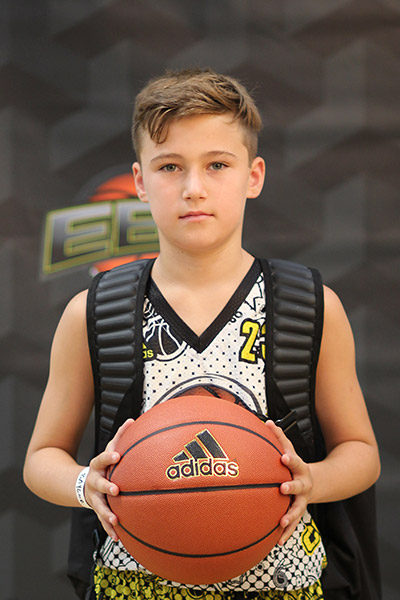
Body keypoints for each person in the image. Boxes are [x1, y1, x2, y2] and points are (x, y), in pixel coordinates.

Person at [24, 68, 380, 600]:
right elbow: (41, 458)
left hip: (283, 584)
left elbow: (361, 451)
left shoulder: (309, 305)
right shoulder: (93, 312)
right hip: (135, 585)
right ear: (139, 181)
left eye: (217, 164)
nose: (194, 188)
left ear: (253, 176)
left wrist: (312, 481)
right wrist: (85, 484)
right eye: (170, 166)